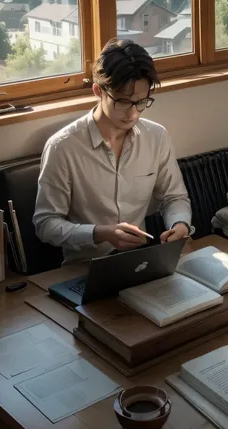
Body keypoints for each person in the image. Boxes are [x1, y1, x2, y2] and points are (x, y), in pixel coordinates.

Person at [33, 39, 193, 264]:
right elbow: (46, 224)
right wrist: (100, 233)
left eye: (141, 102)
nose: (133, 113)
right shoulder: (63, 147)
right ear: (98, 91)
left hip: (139, 263)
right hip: (83, 270)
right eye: (123, 102)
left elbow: (174, 197)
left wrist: (180, 224)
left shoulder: (156, 137)